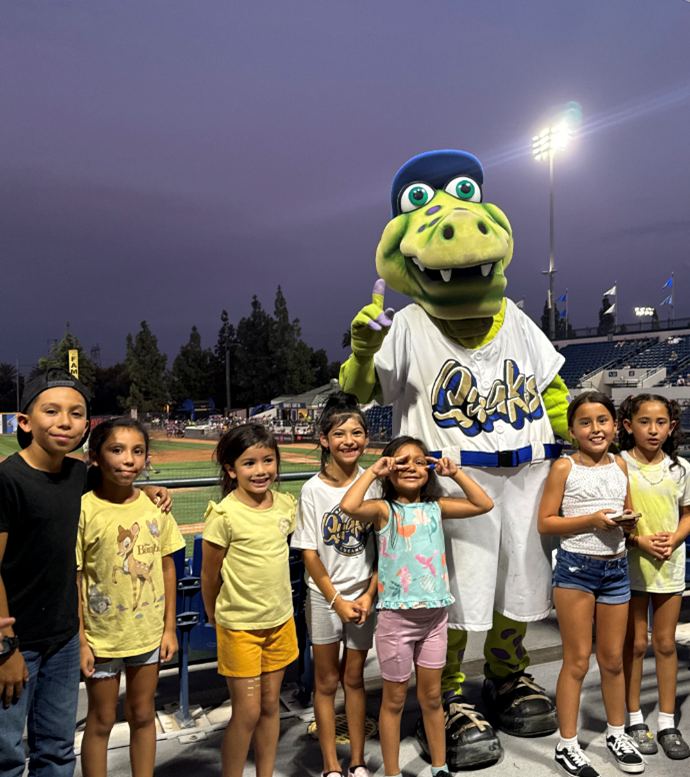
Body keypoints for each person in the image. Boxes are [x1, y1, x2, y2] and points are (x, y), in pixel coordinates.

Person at [0, 369, 171, 777]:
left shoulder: (80, 475)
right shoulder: (8, 479)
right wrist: (4, 646)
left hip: (63, 637)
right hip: (16, 640)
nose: (64, 421)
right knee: (6, 755)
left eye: (76, 413)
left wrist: (150, 491)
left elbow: (119, 482)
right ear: (25, 422)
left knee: (57, 750)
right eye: (52, 411)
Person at [341, 436, 493, 777]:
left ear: (429, 468)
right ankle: (393, 772)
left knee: (432, 699)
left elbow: (483, 504)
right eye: (401, 461)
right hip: (396, 621)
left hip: (435, 620)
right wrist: (374, 472)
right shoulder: (384, 510)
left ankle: (440, 767)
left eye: (419, 460)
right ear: (389, 469)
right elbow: (350, 506)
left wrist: (456, 474)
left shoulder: (436, 507)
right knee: (394, 702)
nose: (411, 466)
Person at [538, 391, 644, 777]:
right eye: (586, 422)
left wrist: (629, 524)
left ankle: (617, 733)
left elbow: (627, 511)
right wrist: (591, 521)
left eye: (603, 420)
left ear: (616, 426)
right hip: (576, 572)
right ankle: (567, 746)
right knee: (578, 660)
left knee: (613, 659)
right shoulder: (565, 468)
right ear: (572, 431)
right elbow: (546, 522)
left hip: (615, 570)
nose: (595, 428)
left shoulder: (620, 464)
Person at [77, 417, 185, 777]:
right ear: (95, 457)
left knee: (142, 714)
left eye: (137, 451)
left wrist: (169, 628)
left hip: (148, 634)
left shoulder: (156, 507)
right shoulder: (84, 510)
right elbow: (75, 578)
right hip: (102, 636)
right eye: (117, 450)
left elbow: (168, 566)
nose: (128, 460)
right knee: (102, 719)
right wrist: (81, 640)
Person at [201, 424, 298, 777]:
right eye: (249, 463)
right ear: (231, 470)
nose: (261, 471)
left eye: (268, 460)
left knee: (271, 706)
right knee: (247, 712)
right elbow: (209, 575)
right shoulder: (224, 515)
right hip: (240, 628)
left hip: (280, 622)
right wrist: (213, 614)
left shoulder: (286, 505)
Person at [292, 393, 378, 777]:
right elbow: (309, 553)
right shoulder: (313, 490)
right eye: (339, 433)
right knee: (326, 683)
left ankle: (357, 761)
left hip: (364, 597)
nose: (350, 440)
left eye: (357, 432)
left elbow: (385, 548)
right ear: (324, 440)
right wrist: (337, 600)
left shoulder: (373, 483)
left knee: (355, 679)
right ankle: (330, 765)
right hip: (325, 598)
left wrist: (369, 594)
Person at [618, 394, 690, 760]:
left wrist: (675, 538)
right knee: (634, 644)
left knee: (664, 643)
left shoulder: (681, 469)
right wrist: (637, 540)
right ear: (628, 426)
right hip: (630, 567)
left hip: (669, 566)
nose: (653, 429)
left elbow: (687, 513)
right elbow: (612, 518)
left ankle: (666, 721)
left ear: (671, 427)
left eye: (661, 422)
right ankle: (633, 718)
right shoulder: (618, 466)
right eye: (644, 422)